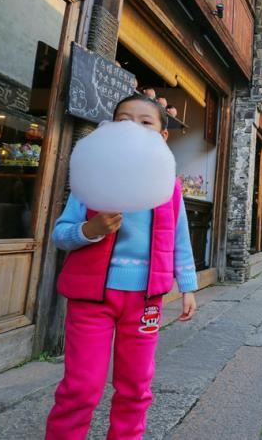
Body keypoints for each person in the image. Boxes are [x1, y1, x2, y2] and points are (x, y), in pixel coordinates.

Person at [46, 93, 198, 439]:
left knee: (135, 386)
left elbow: (180, 239)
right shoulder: (91, 181)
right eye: (123, 120)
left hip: (146, 301)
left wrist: (188, 285)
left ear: (162, 137)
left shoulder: (169, 188)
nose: (133, 128)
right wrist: (90, 230)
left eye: (146, 122)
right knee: (81, 387)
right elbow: (61, 233)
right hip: (90, 299)